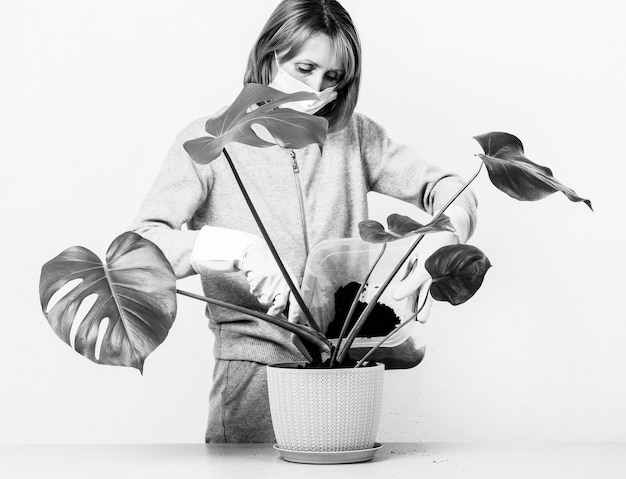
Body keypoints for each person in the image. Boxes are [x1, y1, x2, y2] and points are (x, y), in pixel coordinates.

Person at [130, 0, 477, 443]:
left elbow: (448, 186)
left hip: (344, 367)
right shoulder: (209, 141)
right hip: (254, 376)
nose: (317, 87)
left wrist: (441, 240)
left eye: (332, 77)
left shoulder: (354, 135)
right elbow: (143, 243)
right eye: (305, 66)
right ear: (270, 55)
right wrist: (233, 249)